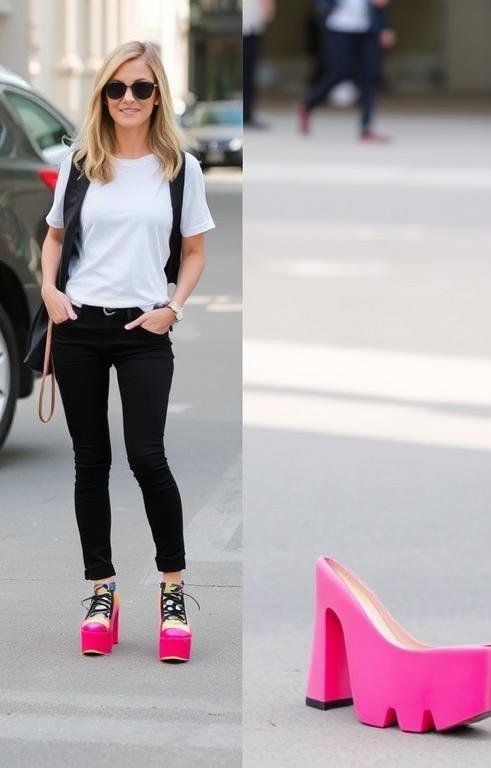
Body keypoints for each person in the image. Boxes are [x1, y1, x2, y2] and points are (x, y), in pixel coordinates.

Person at [40, 41, 215, 662]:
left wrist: (174, 307)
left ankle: (172, 591)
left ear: (158, 93)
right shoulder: (82, 162)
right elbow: (54, 237)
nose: (129, 100)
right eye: (117, 89)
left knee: (147, 456)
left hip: (145, 330)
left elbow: (193, 252)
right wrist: (50, 291)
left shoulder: (180, 169)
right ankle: (102, 592)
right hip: (82, 325)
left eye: (141, 88)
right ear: (102, 97)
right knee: (91, 460)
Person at [299, 0, 397, 141]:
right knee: (340, 71)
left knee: (370, 75)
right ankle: (308, 104)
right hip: (339, 27)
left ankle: (366, 128)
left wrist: (385, 27)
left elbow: (379, 6)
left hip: (368, 29)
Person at [242, 0, 276, 128]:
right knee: (247, 73)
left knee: (249, 73)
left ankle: (247, 114)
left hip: (253, 26)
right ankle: (246, 114)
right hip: (247, 25)